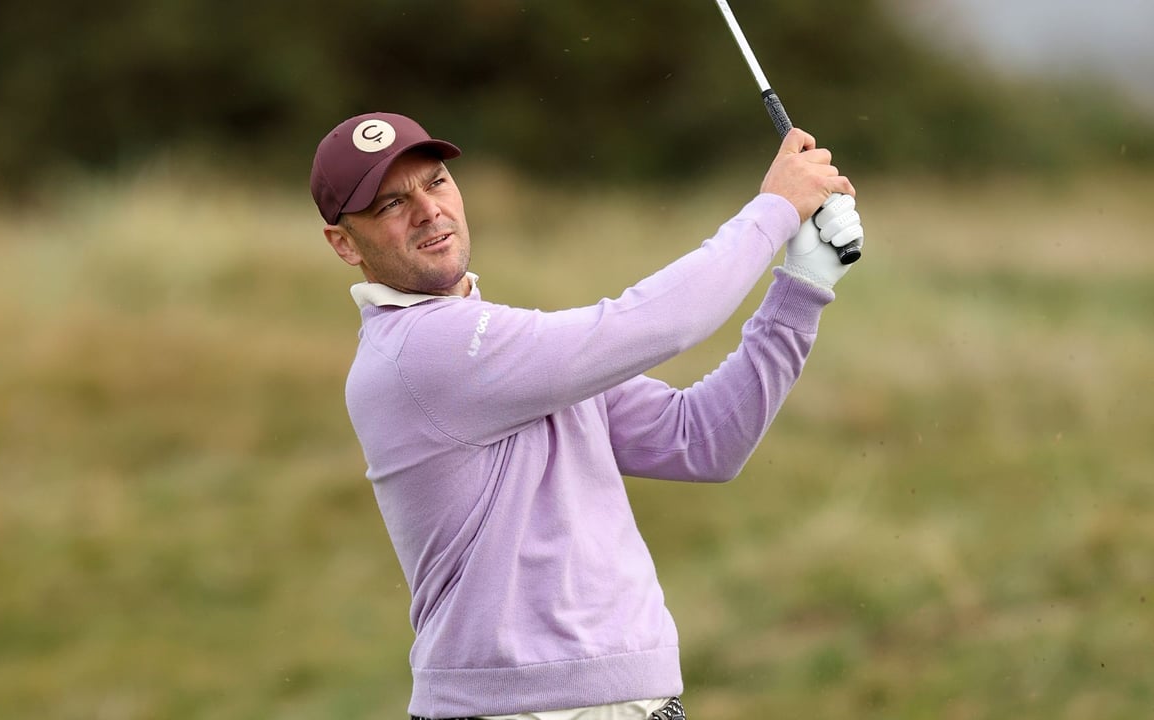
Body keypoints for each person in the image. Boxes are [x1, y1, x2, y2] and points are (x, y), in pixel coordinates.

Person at [309, 112, 863, 720]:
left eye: (436, 182)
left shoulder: (508, 352)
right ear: (344, 243)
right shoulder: (422, 351)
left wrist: (802, 288)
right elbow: (655, 324)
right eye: (391, 204)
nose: (427, 211)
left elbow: (702, 441)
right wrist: (774, 209)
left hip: (633, 702)